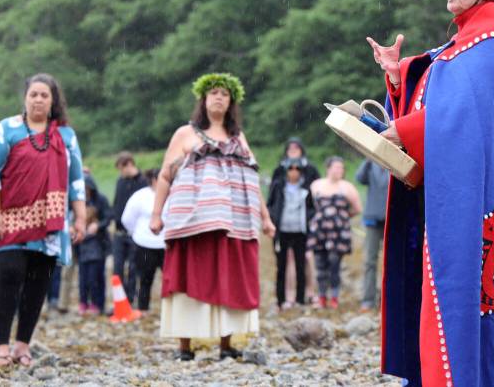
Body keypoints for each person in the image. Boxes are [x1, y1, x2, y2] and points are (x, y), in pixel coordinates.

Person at [368, 0, 494, 386]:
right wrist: (399, 78)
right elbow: (442, 101)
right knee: (453, 310)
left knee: (468, 312)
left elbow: (460, 116)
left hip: (477, 204)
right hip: (458, 199)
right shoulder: (465, 43)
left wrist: (401, 129)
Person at [151, 73, 276, 362]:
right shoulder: (186, 134)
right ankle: (185, 346)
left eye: (224, 94)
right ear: (204, 99)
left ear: (231, 101)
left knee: (229, 276)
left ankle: (227, 343)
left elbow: (252, 181)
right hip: (193, 220)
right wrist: (157, 214)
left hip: (234, 221)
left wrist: (266, 218)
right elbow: (165, 175)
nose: (218, 97)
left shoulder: (238, 137)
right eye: (213, 93)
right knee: (188, 276)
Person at [0, 73, 86, 368]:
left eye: (44, 95)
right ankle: (1, 345)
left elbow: (76, 179)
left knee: (38, 284)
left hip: (50, 223)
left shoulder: (66, 136)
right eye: (34, 94)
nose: (38, 100)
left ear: (53, 102)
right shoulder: (7, 129)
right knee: (10, 274)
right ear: (25, 98)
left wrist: (79, 217)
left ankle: (22, 345)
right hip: (9, 217)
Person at [307, 156, 361, 309]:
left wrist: (342, 217)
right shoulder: (316, 185)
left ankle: (335, 297)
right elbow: (312, 205)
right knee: (320, 264)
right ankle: (322, 296)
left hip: (338, 232)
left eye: (341, 168)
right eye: (336, 167)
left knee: (334, 263)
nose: (339, 170)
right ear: (328, 168)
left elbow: (357, 209)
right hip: (320, 230)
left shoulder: (347, 187)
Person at [271, 139, 319, 304]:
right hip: (282, 228)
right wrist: (272, 219)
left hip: (301, 228)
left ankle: (302, 297)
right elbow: (272, 202)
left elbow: (315, 200)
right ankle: (282, 299)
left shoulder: (310, 171)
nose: (294, 170)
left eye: (297, 168)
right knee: (282, 265)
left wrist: (310, 218)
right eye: (290, 168)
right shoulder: (278, 178)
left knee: (302, 264)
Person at [121, 168, 165, 311]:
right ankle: (143, 308)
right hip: (145, 243)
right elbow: (127, 219)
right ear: (154, 180)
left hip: (166, 244)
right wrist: (137, 234)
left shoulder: (172, 195)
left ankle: (168, 310)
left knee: (169, 280)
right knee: (145, 279)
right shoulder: (140, 196)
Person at [111, 152, 147, 299]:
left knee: (133, 268)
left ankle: (130, 298)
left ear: (129, 164)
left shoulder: (143, 182)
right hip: (119, 232)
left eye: (121, 168)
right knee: (117, 268)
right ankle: (119, 300)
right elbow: (116, 203)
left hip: (135, 232)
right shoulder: (120, 181)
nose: (121, 172)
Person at [356, 157, 390, 311]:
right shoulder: (370, 164)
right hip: (372, 219)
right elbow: (359, 178)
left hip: (391, 218)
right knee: (370, 261)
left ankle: (387, 298)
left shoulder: (393, 162)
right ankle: (368, 298)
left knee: (390, 261)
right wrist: (368, 158)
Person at [76, 174, 111, 315]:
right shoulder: (78, 201)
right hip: (82, 243)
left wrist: (98, 225)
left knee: (96, 276)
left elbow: (109, 217)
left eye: (87, 189)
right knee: (83, 276)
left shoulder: (101, 200)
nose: (86, 192)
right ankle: (84, 302)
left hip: (98, 244)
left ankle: (98, 303)